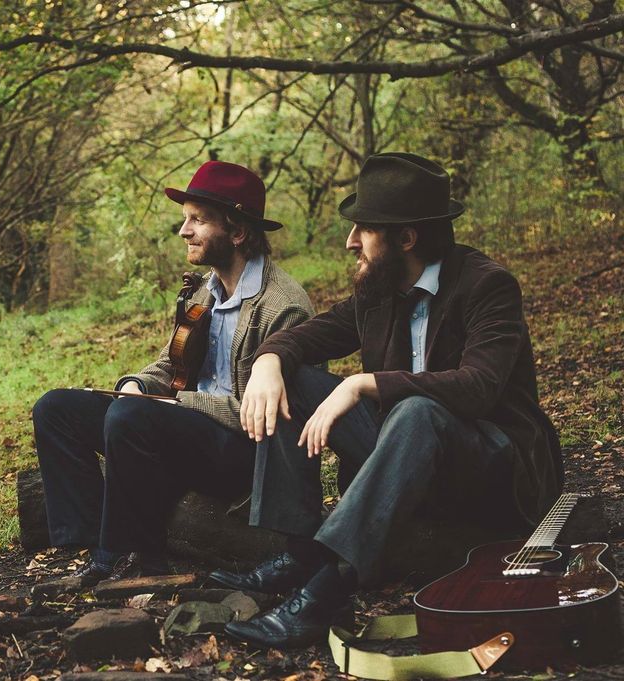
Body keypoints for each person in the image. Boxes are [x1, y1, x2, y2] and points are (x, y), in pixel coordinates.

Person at [213, 153, 562, 648]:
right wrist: (269, 360)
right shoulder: (380, 289)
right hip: (408, 453)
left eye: (363, 230)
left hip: (491, 467)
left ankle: (328, 592)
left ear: (406, 238)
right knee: (297, 380)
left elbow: (478, 387)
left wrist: (362, 383)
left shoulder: (487, 286)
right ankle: (301, 553)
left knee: (418, 410)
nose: (351, 241)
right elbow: (309, 337)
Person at [32, 161, 314, 584]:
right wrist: (137, 385)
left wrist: (175, 404)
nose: (184, 231)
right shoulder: (205, 289)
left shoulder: (284, 306)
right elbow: (171, 362)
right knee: (56, 408)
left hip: (241, 450)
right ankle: (90, 541)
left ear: (237, 232)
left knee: (132, 417)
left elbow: (276, 414)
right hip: (179, 427)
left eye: (198, 220)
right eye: (185, 219)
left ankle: (131, 559)